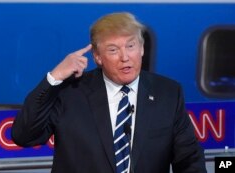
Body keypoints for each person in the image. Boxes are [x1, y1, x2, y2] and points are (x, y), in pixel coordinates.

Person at [11, 12, 207, 173]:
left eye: (131, 46)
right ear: (97, 57)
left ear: (141, 49)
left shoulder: (168, 93)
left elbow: (189, 159)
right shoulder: (70, 92)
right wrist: (53, 78)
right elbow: (24, 136)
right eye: (113, 50)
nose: (125, 57)